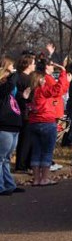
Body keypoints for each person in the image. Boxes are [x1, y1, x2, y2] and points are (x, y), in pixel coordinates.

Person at [28, 62, 71, 186]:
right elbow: (57, 89)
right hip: (47, 122)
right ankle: (44, 178)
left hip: (33, 123)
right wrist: (63, 72)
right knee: (47, 151)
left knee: (36, 151)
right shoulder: (42, 90)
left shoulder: (31, 92)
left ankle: (36, 179)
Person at [0, 56, 26, 195]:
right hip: (4, 127)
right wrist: (13, 74)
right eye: (10, 66)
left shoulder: (10, 85)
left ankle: (9, 185)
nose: (12, 69)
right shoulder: (3, 85)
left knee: (6, 158)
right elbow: (8, 87)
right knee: (0, 158)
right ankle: (1, 186)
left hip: (14, 125)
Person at [14, 54, 36, 172]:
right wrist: (23, 96)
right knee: (25, 139)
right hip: (25, 112)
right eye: (33, 63)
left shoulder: (23, 77)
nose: (35, 65)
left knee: (27, 139)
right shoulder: (23, 78)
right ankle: (21, 165)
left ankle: (25, 163)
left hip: (25, 111)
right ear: (27, 65)